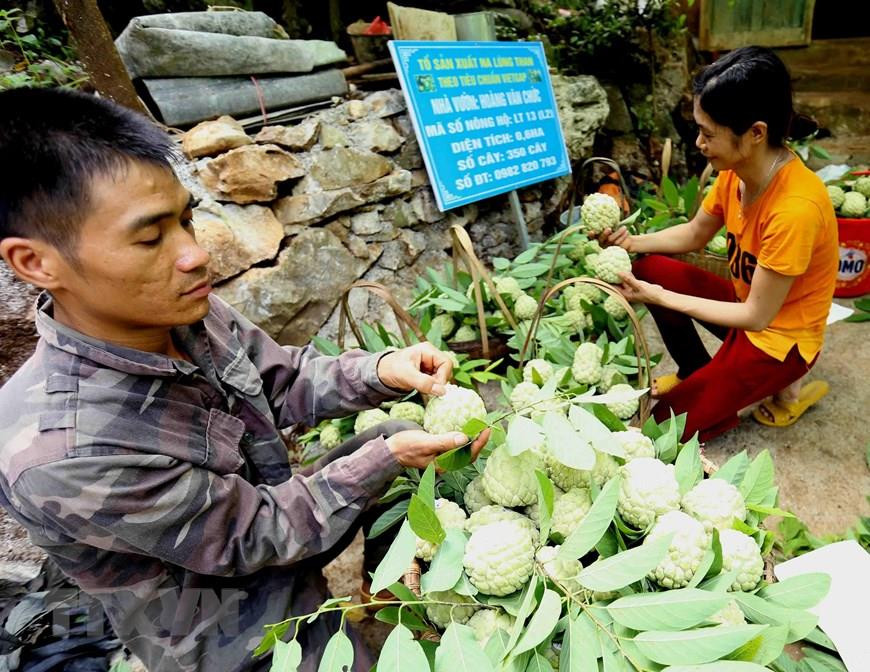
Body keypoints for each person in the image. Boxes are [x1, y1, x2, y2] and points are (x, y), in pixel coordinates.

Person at [0, 87, 490, 672]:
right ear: (36, 263)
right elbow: (250, 536)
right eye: (151, 237)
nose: (194, 255)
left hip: (281, 552)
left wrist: (383, 371)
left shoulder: (181, 312)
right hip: (228, 633)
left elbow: (281, 381)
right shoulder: (63, 450)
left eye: (186, 220)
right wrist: (383, 459)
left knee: (396, 434)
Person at [602, 46, 838, 443]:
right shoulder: (738, 172)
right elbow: (694, 234)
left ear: (756, 133)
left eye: (708, 133)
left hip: (779, 338)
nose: (698, 142)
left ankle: (769, 387)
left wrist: (662, 298)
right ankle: (698, 371)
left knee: (659, 429)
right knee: (649, 267)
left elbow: (756, 318)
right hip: (747, 307)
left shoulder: (795, 208)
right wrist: (630, 242)